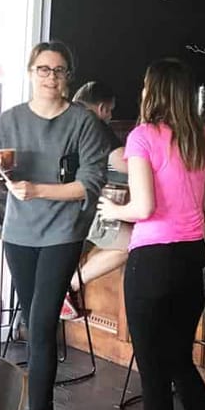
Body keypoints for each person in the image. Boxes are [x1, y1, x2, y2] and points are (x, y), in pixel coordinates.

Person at [98, 58, 205, 410]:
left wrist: (113, 209)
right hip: (193, 259)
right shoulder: (202, 137)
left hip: (152, 262)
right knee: (180, 362)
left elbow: (144, 208)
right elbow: (204, 204)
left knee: (153, 373)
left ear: (153, 91)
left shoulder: (142, 136)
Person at [0, 41, 108, 410]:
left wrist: (38, 190)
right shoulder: (9, 120)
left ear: (68, 76)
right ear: (30, 72)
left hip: (62, 233)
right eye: (43, 69)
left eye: (58, 70)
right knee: (32, 325)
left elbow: (89, 184)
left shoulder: (83, 122)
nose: (50, 77)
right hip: (19, 233)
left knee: (39, 327)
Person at [61, 80, 128, 321]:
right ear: (102, 108)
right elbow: (124, 163)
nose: (110, 117)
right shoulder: (93, 123)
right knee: (133, 242)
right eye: (110, 111)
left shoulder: (62, 116)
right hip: (79, 207)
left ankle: (56, 285)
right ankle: (68, 288)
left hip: (53, 211)